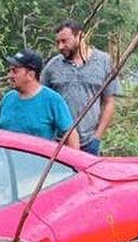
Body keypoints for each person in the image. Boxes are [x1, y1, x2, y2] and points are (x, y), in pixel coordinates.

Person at [41, 20, 120, 155]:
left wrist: (97, 137)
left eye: (65, 41)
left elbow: (109, 102)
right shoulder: (53, 65)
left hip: (89, 142)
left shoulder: (103, 61)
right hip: (59, 143)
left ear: (80, 36)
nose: (60, 46)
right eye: (58, 42)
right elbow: (41, 99)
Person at [0, 50, 77, 145]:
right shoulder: (8, 98)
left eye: (15, 71)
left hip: (37, 159)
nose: (9, 75)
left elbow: (71, 135)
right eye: (9, 71)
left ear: (31, 75)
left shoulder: (52, 100)